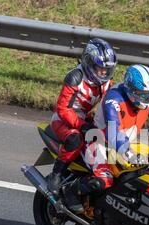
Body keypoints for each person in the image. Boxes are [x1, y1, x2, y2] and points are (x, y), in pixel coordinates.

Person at [61, 64, 149, 214]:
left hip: (129, 141)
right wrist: (129, 153)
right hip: (99, 141)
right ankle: (70, 191)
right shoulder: (113, 99)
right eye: (143, 94)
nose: (148, 98)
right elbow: (113, 132)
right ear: (130, 89)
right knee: (104, 178)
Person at [47, 38, 117, 195]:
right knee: (75, 139)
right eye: (100, 68)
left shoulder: (106, 82)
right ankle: (57, 173)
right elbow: (63, 108)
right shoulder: (75, 78)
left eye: (107, 69)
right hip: (63, 120)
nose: (104, 72)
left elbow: (109, 103)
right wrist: (81, 125)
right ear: (89, 63)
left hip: (85, 116)